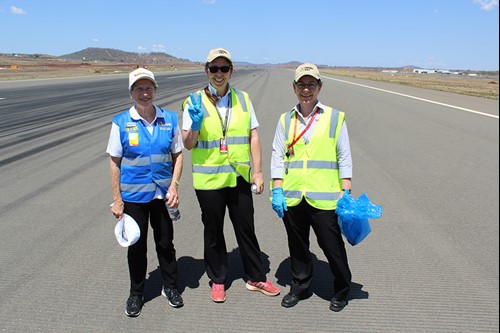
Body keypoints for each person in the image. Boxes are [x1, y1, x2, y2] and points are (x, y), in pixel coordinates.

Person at [181, 47, 280, 303]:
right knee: (213, 232)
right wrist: (193, 125)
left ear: (231, 71)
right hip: (209, 181)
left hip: (238, 177)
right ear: (206, 71)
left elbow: (253, 136)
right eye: (214, 68)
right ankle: (217, 279)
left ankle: (256, 276)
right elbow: (188, 144)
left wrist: (258, 172)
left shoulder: (243, 99)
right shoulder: (193, 101)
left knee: (246, 228)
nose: (219, 73)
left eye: (224, 68)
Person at [270, 63, 352, 312]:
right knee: (297, 246)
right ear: (294, 87)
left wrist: (345, 191)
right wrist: (277, 189)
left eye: (311, 84)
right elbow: (277, 155)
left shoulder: (335, 117)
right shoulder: (286, 119)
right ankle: (300, 287)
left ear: (320, 87)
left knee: (332, 246)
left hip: (324, 196)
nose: (306, 89)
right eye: (302, 84)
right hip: (293, 195)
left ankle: (342, 289)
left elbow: (344, 155)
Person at [107, 68, 184, 317]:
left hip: (162, 195)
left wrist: (174, 186)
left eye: (149, 87)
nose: (144, 93)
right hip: (133, 198)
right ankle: (136, 293)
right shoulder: (121, 122)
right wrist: (117, 200)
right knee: (136, 246)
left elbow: (178, 155)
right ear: (131, 93)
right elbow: (114, 162)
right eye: (139, 88)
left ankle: (170, 287)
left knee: (165, 243)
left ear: (155, 90)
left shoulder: (169, 119)